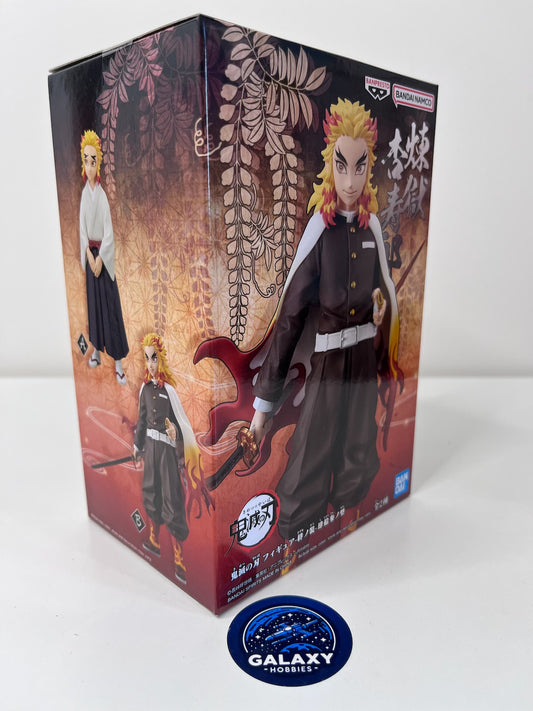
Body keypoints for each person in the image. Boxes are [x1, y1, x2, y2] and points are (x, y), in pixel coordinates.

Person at [249, 99, 401, 541]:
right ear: (330, 166)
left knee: (358, 455)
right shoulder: (320, 230)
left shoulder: (372, 231)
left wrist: (383, 324)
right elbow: (290, 316)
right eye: (342, 165)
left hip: (364, 363)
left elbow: (387, 297)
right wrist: (263, 406)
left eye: (360, 166)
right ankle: (295, 536)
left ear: (369, 167)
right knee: (309, 460)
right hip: (329, 363)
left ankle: (352, 524)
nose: (351, 181)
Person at [133, 333, 200, 583]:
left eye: (154, 358)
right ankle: (153, 539)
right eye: (147, 358)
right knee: (151, 490)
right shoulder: (144, 389)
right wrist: (137, 445)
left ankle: (179, 557)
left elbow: (182, 425)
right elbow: (141, 420)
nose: (151, 363)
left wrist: (175, 432)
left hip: (166, 452)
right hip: (150, 448)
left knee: (171, 496)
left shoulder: (169, 391)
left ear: (161, 359)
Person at [79, 130, 129, 384]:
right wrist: (89, 255)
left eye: (93, 161)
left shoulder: (101, 196)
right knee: (94, 307)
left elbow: (108, 232)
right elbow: (82, 230)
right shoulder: (84, 196)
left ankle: (118, 362)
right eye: (86, 160)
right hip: (91, 257)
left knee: (110, 308)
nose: (89, 165)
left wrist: (100, 259)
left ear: (98, 163)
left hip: (103, 259)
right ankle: (96, 351)